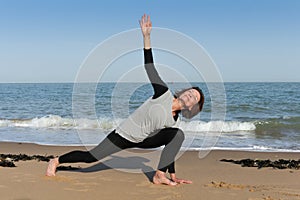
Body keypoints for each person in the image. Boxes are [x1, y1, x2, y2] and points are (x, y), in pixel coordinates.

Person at [46, 14, 205, 186]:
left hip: (143, 141)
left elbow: (170, 148)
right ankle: (56, 160)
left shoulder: (174, 121)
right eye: (190, 92)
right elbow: (149, 67)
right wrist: (147, 37)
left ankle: (160, 175)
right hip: (123, 135)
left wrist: (173, 174)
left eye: (194, 98)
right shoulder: (163, 93)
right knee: (90, 158)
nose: (190, 95)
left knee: (177, 135)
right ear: (183, 93)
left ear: (191, 106)